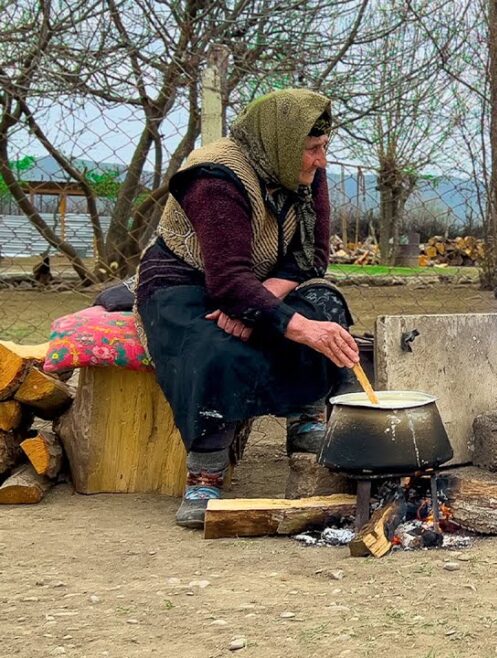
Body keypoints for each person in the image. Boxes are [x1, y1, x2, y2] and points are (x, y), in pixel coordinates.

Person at [133, 89, 360, 528]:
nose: (321, 160)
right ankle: (205, 471)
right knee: (214, 346)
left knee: (324, 305)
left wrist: (265, 301)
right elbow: (226, 280)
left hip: (258, 281)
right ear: (282, 143)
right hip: (187, 283)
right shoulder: (214, 177)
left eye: (324, 148)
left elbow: (312, 257)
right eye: (313, 149)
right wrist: (290, 324)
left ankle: (306, 420)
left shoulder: (303, 169)